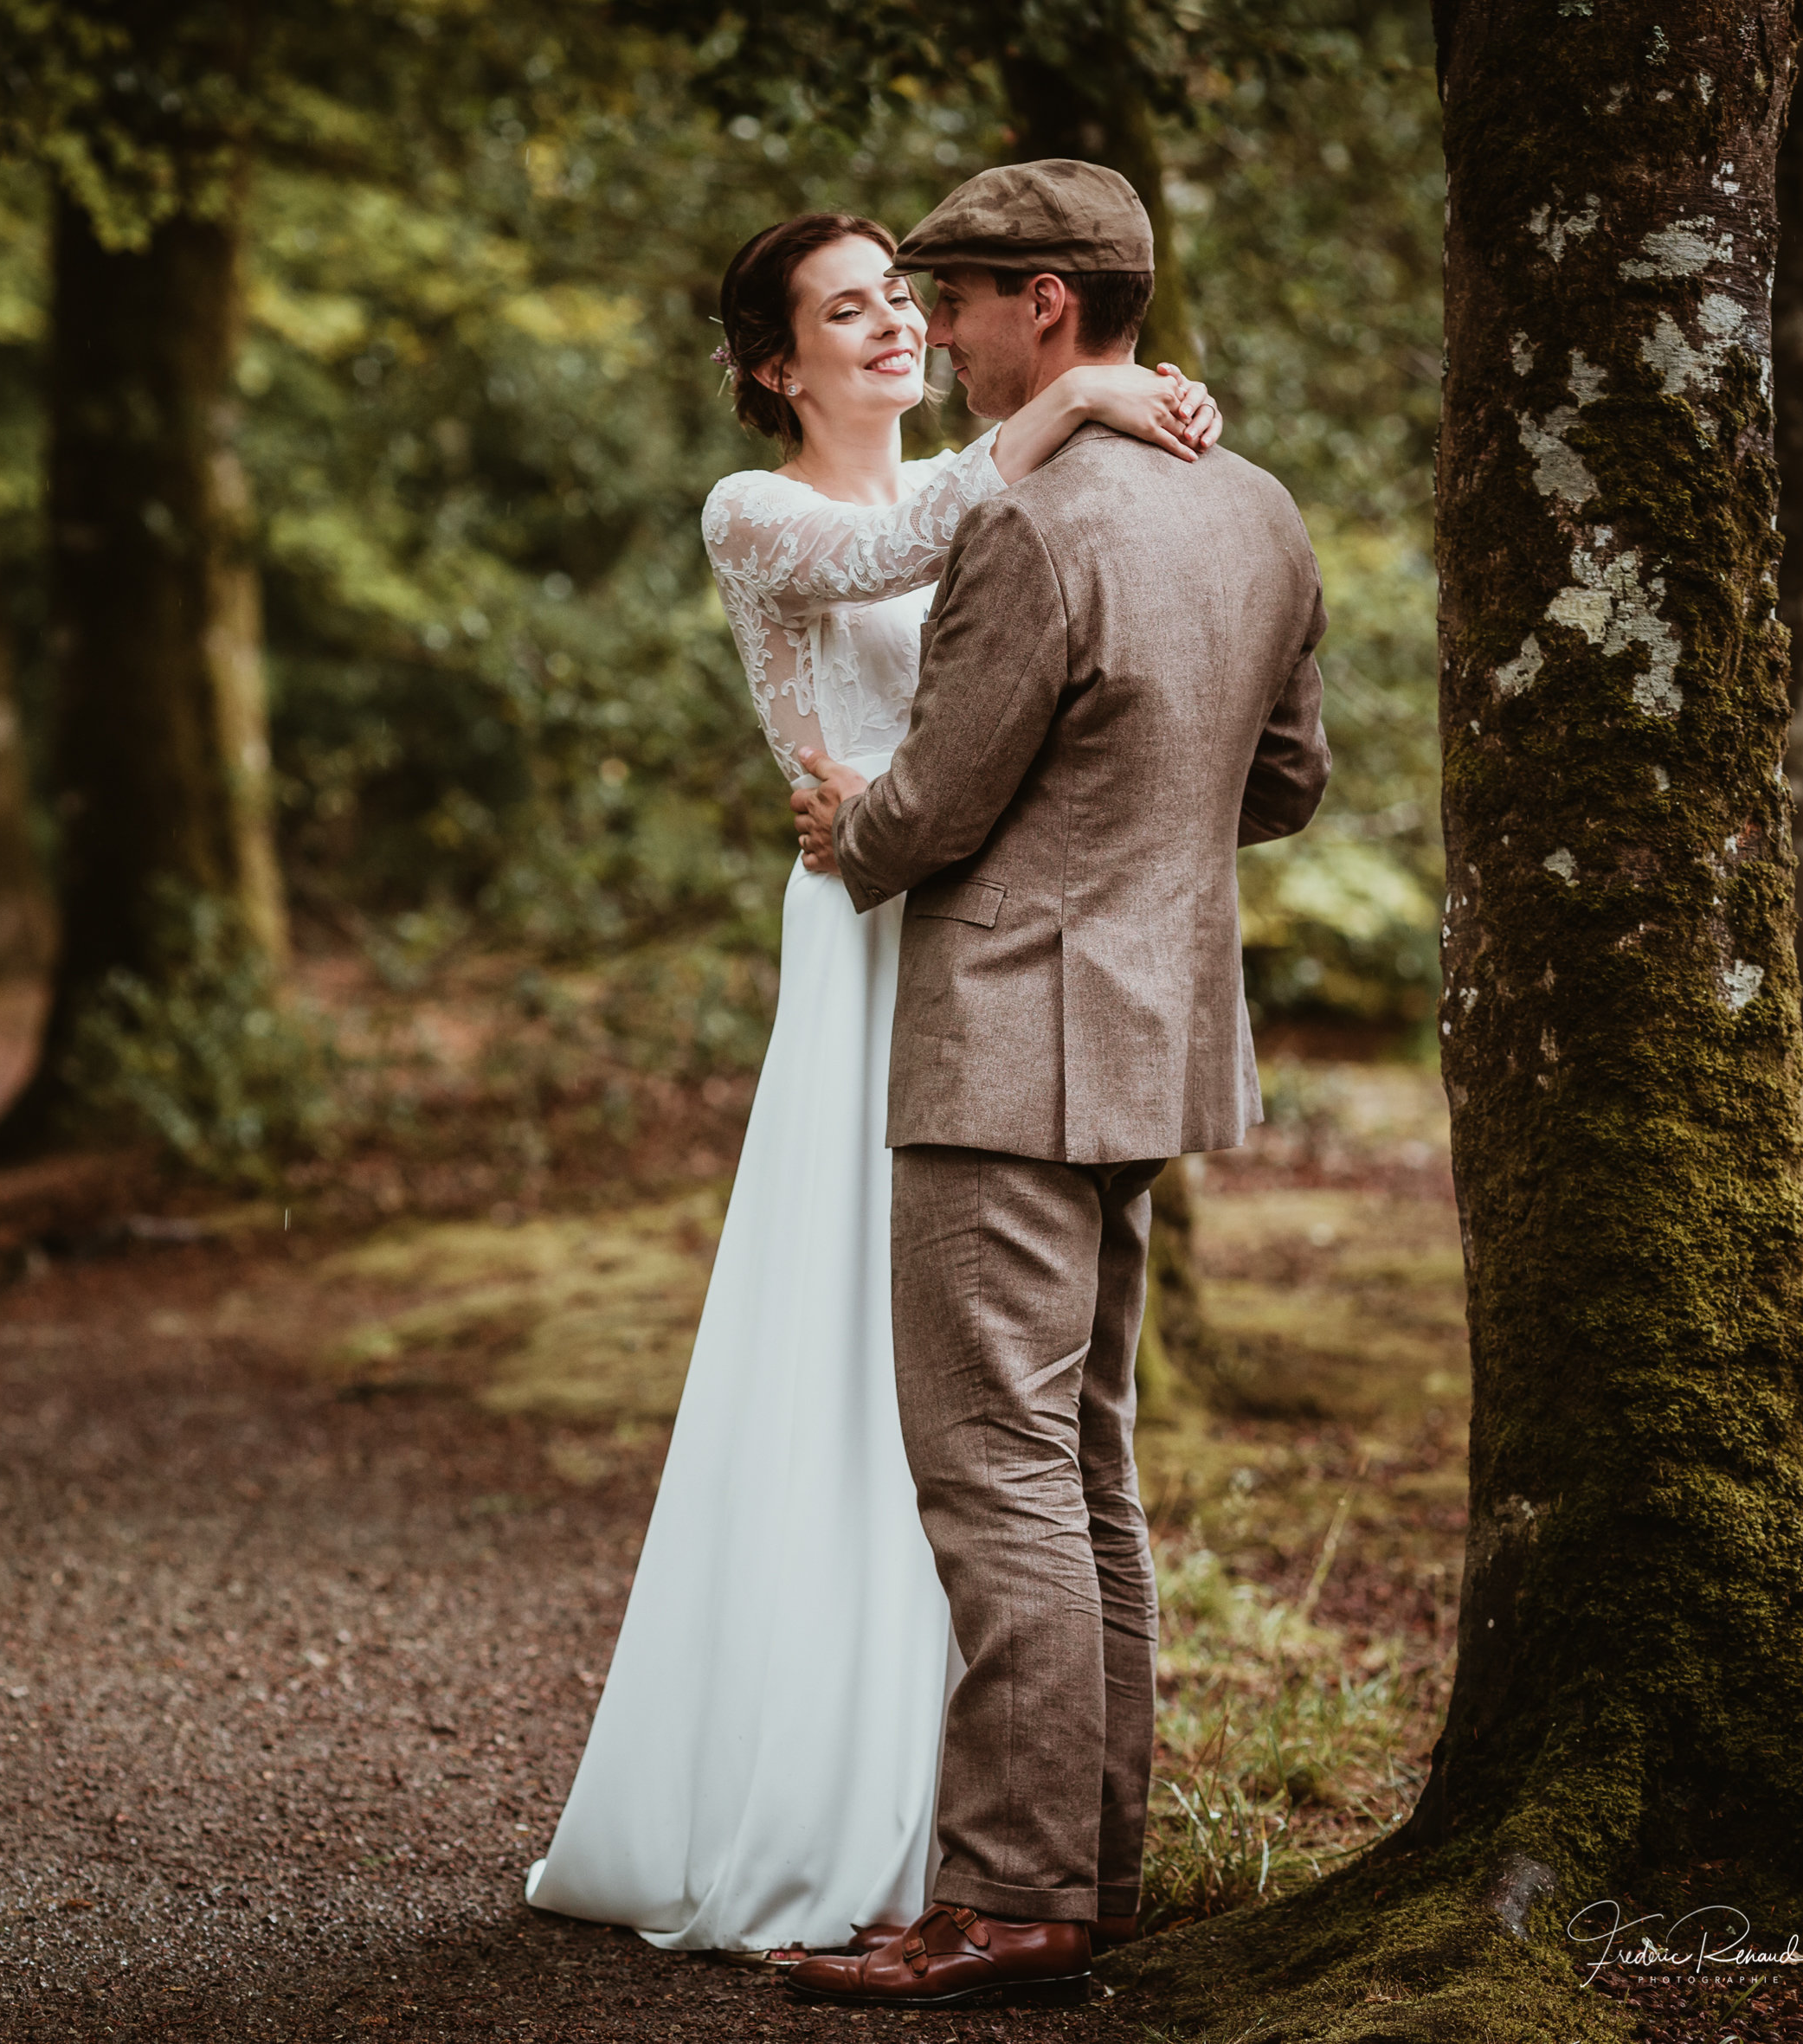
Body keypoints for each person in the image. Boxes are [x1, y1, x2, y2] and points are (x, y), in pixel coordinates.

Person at [518, 198, 1225, 1961]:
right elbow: (903, 539)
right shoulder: (757, 512)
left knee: (1002, 1405)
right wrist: (1082, 399)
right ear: (773, 364)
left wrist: (1103, 423)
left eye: (902, 301)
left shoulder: (1021, 495)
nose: (893, 328)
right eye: (847, 313)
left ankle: (995, 1827)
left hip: (995, 940)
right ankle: (825, 1798)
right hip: (863, 940)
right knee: (856, 1351)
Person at [776, 162, 1330, 2011]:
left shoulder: (1026, 528)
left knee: (994, 1475)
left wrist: (848, 827)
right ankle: (1090, 1859)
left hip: (1005, 1039)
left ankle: (1007, 1900)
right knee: (1083, 1463)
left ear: (1043, 301)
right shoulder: (1255, 508)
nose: (927, 328)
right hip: (1157, 1034)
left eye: (950, 296)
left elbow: (933, 797)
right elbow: (1284, 782)